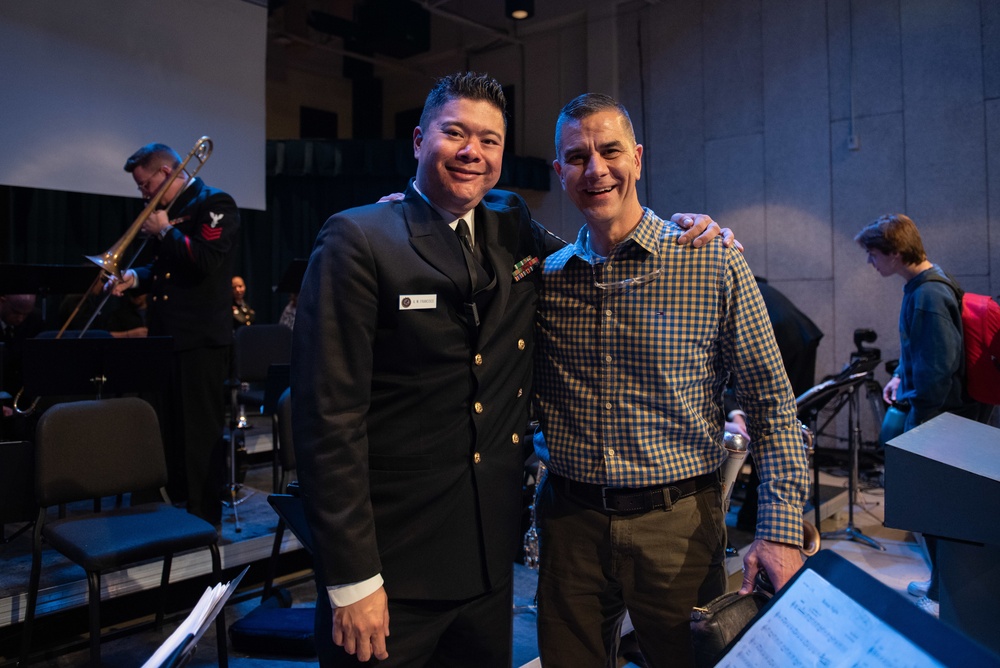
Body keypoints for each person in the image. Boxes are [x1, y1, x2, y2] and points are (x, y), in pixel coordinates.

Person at [292, 72, 728, 667]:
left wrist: (691, 236)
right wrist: (351, 580)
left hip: (487, 565)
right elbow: (327, 422)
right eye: (455, 133)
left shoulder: (509, 220)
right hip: (391, 571)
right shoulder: (358, 238)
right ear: (419, 141)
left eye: (490, 140)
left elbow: (591, 259)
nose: (473, 151)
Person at [532, 93, 811, 667]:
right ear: (560, 172)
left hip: (677, 525)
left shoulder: (711, 259)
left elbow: (772, 403)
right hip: (571, 525)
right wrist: (412, 209)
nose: (596, 169)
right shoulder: (546, 280)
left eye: (610, 151)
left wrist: (780, 529)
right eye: (577, 157)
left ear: (637, 157)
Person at [854, 213, 993, 617]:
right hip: (938, 417)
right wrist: (900, 375)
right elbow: (921, 351)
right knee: (936, 510)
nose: (870, 263)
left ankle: (943, 595)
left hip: (939, 422)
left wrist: (917, 419)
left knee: (937, 510)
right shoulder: (924, 286)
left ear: (896, 253)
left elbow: (939, 367)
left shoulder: (928, 295)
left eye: (874, 254)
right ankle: (939, 585)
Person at [108, 142, 240, 526]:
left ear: (166, 173)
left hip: (200, 338)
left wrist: (166, 231)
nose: (143, 193)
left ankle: (203, 518)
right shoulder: (169, 212)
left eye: (145, 184)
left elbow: (205, 261)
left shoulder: (215, 203)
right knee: (163, 428)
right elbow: (162, 269)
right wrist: (134, 278)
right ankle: (162, 512)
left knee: (200, 435)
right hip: (166, 336)